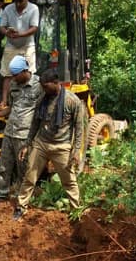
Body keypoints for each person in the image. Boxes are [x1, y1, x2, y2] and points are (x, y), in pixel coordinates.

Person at [14, 69, 87, 220]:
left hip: (61, 146)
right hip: (41, 143)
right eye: (42, 86)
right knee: (29, 177)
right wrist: (27, 144)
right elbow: (35, 123)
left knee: (69, 181)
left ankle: (75, 211)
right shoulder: (43, 98)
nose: (43, 89)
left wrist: (76, 151)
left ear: (56, 83)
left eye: (46, 86)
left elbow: (79, 129)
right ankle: (21, 207)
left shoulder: (72, 101)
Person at [0, 55, 43, 209]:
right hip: (10, 132)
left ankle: (22, 199)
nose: (14, 78)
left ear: (25, 71)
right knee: (4, 166)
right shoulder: (14, 85)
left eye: (16, 75)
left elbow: (44, 110)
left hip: (25, 135)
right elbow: (11, 107)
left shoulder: (39, 85)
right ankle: (1, 194)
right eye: (12, 75)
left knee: (23, 168)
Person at [0, 0, 40, 106]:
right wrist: (7, 33)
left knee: (29, 73)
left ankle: (28, 100)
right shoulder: (8, 9)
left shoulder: (34, 9)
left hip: (27, 45)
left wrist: (20, 34)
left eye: (20, 1)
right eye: (15, 1)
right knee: (7, 73)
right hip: (11, 44)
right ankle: (4, 101)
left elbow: (34, 28)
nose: (18, 4)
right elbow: (2, 26)